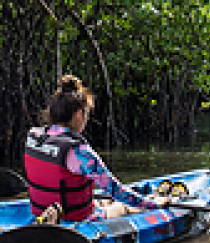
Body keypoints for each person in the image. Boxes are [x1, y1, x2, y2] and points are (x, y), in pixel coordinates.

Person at [23, 75, 164, 223]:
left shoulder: (34, 137)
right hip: (77, 219)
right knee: (122, 206)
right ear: (79, 115)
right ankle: (150, 201)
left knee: (101, 202)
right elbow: (116, 191)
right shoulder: (79, 152)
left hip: (41, 213)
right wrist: (153, 205)